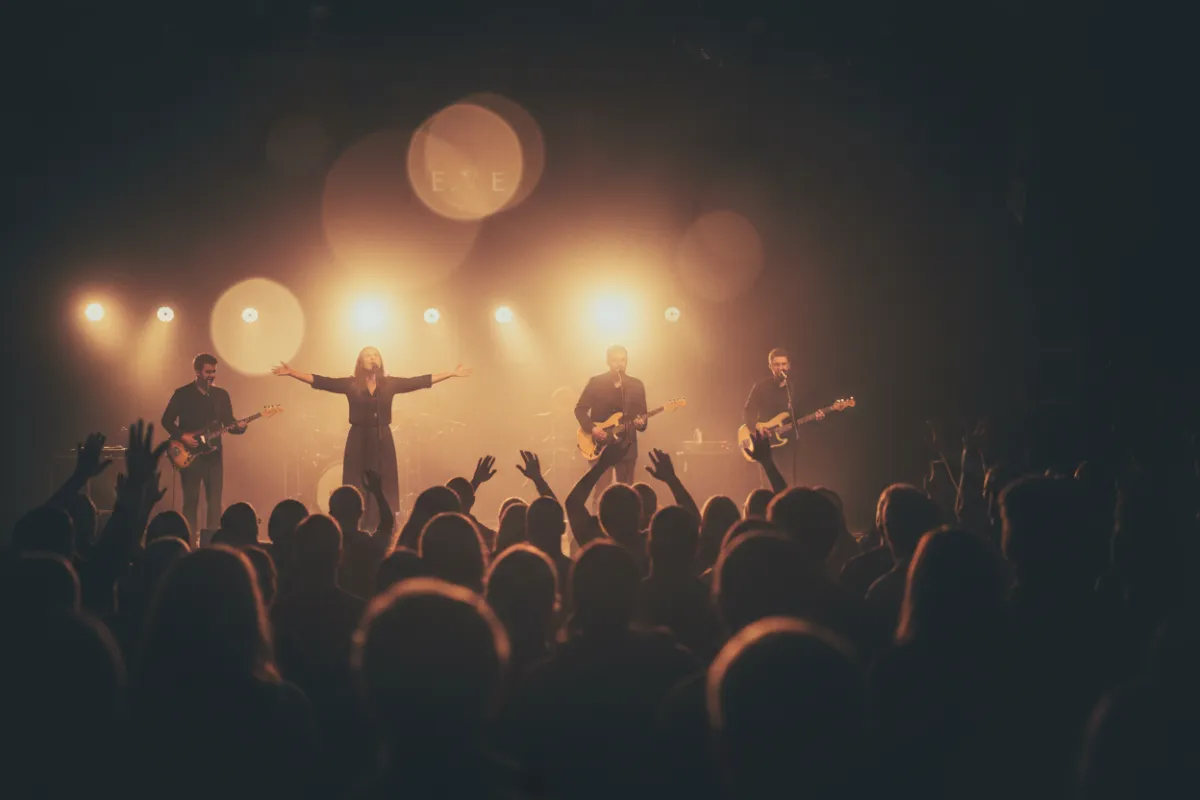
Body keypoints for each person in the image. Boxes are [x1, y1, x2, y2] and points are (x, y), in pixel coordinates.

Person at [272, 347, 471, 528]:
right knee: (356, 480)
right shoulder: (350, 384)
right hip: (358, 436)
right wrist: (292, 373)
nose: (372, 358)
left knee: (383, 481)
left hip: (382, 436)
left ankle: (383, 523)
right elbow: (322, 381)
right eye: (368, 355)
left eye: (376, 355)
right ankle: (355, 522)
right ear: (360, 362)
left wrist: (450, 373)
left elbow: (419, 381)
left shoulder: (389, 384)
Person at [162, 353, 246, 535]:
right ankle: (189, 540)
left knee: (215, 502)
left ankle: (212, 542)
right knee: (190, 501)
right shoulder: (182, 394)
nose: (211, 375)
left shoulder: (221, 395)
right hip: (190, 454)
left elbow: (228, 422)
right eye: (208, 372)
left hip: (214, 455)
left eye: (214, 372)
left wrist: (239, 427)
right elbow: (166, 420)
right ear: (197, 372)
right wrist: (182, 436)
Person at [574, 344, 648, 504]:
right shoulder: (596, 382)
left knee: (627, 493)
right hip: (600, 444)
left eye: (623, 360)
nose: (619, 364)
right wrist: (593, 429)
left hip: (626, 446)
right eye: (615, 360)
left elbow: (643, 416)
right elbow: (580, 409)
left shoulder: (636, 385)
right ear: (608, 362)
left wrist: (641, 423)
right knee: (601, 490)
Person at [742, 348, 817, 485]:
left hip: (787, 443)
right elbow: (749, 410)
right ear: (770, 366)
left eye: (783, 364)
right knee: (768, 483)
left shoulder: (793, 389)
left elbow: (799, 415)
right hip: (766, 443)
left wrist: (815, 417)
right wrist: (755, 429)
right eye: (777, 365)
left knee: (789, 482)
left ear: (789, 366)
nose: (781, 368)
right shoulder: (761, 386)